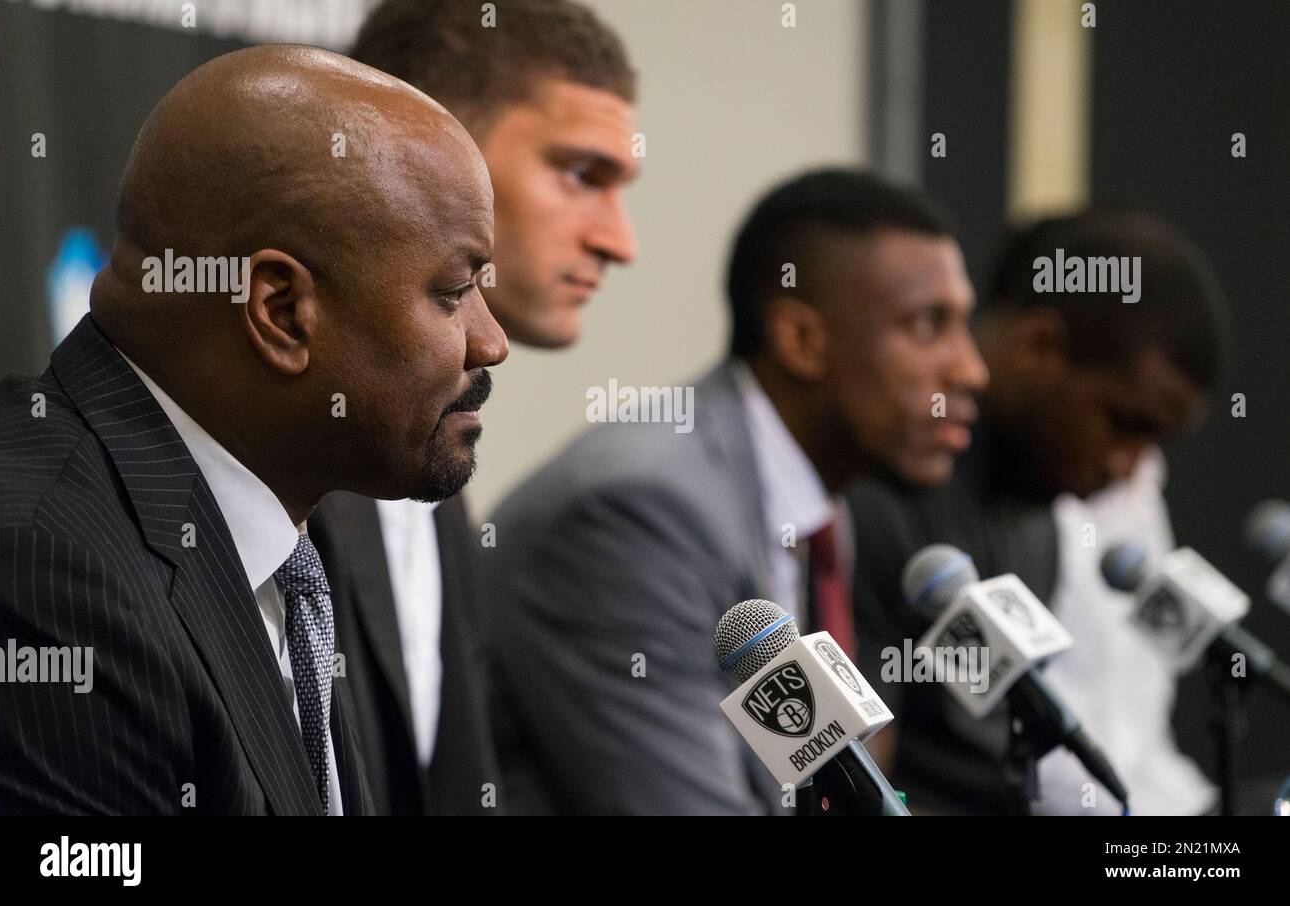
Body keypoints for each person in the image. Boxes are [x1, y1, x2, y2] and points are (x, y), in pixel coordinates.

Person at [0, 45, 507, 815]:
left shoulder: (274, 533)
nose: (490, 341)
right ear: (281, 312)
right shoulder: (45, 573)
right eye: (455, 291)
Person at [484, 169, 988, 814]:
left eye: (964, 325)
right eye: (927, 325)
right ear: (801, 340)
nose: (971, 369)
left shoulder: (820, 504)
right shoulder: (638, 514)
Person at [307, 0, 640, 815]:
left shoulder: (440, 473)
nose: (620, 240)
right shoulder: (285, 460)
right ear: (429, 143)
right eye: (580, 174)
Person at [846, 209, 1227, 814]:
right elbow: (856, 784)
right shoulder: (887, 491)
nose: (1127, 468)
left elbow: (1001, 759)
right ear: (1038, 346)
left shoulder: (1037, 519)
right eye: (1124, 425)